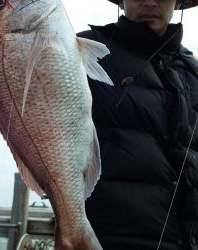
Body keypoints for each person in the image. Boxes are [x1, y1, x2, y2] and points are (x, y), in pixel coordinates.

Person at [78, 0, 198, 249]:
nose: (150, 2)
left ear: (177, 2)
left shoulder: (192, 70)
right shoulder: (82, 50)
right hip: (108, 239)